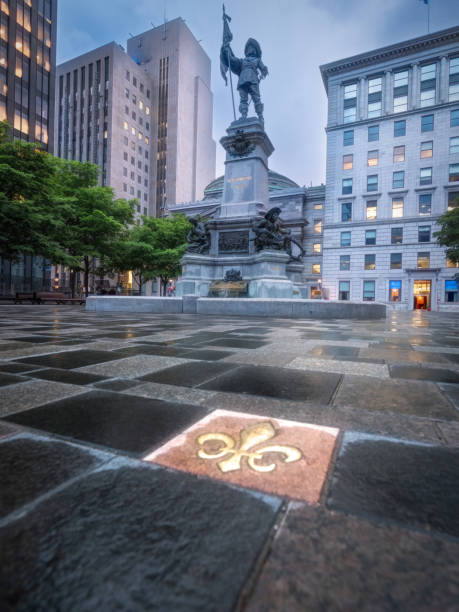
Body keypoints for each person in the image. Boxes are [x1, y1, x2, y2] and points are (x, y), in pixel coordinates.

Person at [221, 38, 268, 123]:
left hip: (253, 78)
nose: (250, 49)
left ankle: (260, 116)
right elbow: (233, 60)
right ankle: (243, 116)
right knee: (243, 99)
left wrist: (264, 71)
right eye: (248, 48)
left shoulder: (257, 60)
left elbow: (263, 68)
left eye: (251, 47)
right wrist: (227, 51)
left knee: (256, 98)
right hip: (243, 79)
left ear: (255, 50)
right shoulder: (242, 61)